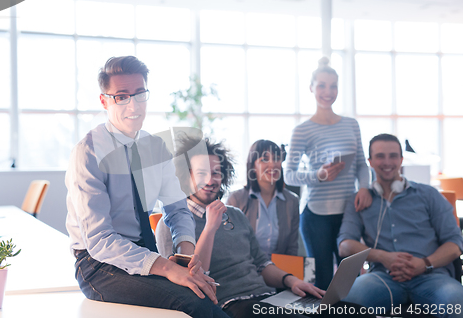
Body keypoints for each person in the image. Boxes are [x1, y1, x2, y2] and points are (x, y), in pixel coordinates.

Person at [65, 56, 227, 318]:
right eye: (122, 96)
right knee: (194, 303)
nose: (133, 104)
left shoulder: (155, 147)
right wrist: (167, 268)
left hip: (144, 253)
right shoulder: (88, 153)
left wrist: (187, 254)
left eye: (140, 94)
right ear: (104, 101)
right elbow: (99, 240)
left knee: (204, 292)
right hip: (98, 264)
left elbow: (177, 209)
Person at [156, 135, 374, 318]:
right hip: (229, 303)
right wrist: (210, 227)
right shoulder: (172, 224)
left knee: (351, 311)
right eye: (202, 173)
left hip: (267, 296)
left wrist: (292, 281)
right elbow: (189, 281)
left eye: (216, 172)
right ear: (187, 176)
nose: (211, 180)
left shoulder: (236, 215)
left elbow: (261, 263)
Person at [338, 133, 463, 318]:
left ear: (401, 159)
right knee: (349, 301)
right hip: (382, 277)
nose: (387, 162)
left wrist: (424, 264)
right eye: (380, 156)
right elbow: (345, 245)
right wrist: (382, 256)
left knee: (456, 301)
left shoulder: (428, 194)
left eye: (393, 156)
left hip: (432, 276)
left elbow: (455, 243)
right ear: (370, 161)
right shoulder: (360, 200)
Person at [284, 57, 372, 290]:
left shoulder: (351, 124)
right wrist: (318, 175)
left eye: (333, 86)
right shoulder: (302, 131)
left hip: (350, 213)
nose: (328, 91)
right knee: (323, 280)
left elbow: (362, 164)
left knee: (352, 278)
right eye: (322, 85)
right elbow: (289, 175)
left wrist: (364, 187)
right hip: (316, 215)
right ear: (311, 87)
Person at [227, 139, 300, 257]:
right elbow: (231, 245)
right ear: (253, 166)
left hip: (279, 270)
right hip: (246, 268)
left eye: (276, 158)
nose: (273, 164)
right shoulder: (236, 199)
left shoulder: (292, 201)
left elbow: (292, 249)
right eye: (264, 159)